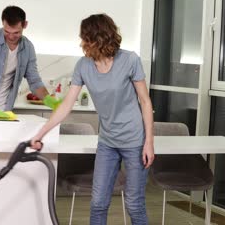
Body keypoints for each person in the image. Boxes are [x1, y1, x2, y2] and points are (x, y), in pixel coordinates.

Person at [31, 13, 155, 224]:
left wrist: (149, 142)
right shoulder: (83, 66)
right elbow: (67, 105)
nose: (82, 43)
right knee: (98, 203)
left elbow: (145, 102)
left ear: (99, 38)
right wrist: (40, 133)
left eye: (85, 38)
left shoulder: (130, 60)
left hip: (135, 141)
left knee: (134, 204)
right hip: (107, 142)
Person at [0, 5, 61, 117]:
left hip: (4, 114)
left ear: (25, 25)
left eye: (16, 33)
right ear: (3, 23)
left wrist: (49, 100)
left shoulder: (27, 48)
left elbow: (34, 81)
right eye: (7, 31)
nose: (11, 37)